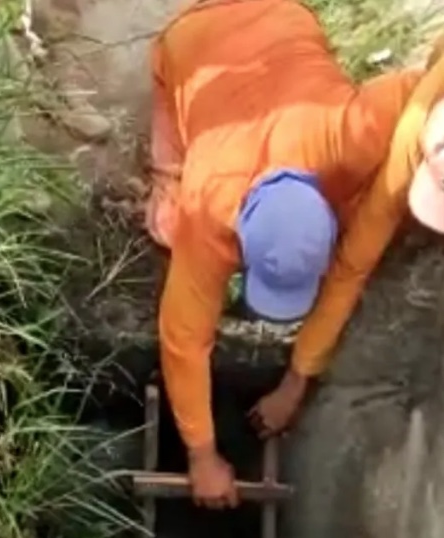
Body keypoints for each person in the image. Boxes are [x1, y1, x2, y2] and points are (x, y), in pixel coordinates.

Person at [146, 0, 433, 509]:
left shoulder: (353, 132)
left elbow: (422, 91)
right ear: (239, 240)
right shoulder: (208, 208)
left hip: (284, 14)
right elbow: (183, 340)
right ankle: (162, 174)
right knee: (166, 226)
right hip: (192, 39)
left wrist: (298, 380)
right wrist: (202, 456)